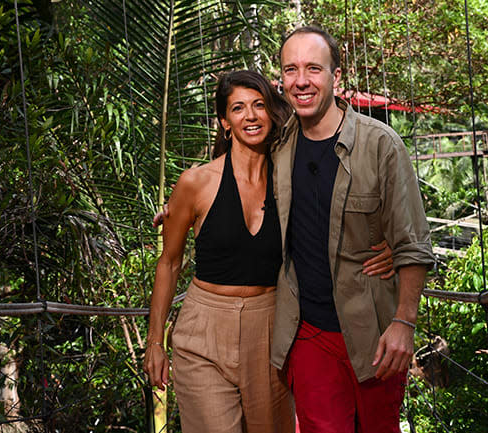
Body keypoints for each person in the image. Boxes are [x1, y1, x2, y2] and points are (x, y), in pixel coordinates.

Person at [143, 70, 395, 433]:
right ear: (225, 122)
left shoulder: (292, 180)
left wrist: (384, 244)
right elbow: (169, 262)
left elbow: (339, 217)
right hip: (204, 331)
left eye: (259, 105)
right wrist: (155, 341)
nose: (250, 115)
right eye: (238, 108)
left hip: (273, 330)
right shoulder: (195, 183)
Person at [269, 27, 436, 433]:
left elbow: (413, 243)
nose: (301, 80)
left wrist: (404, 323)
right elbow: (229, 172)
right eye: (291, 70)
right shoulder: (278, 144)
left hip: (372, 332)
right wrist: (180, 206)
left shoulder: (381, 144)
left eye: (313, 68)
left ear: (336, 77)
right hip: (307, 333)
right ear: (281, 80)